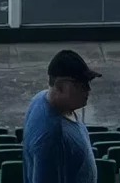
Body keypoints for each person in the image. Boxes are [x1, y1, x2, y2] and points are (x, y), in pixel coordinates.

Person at [23, 49, 100, 183]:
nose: (88, 89)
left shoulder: (40, 98)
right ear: (60, 87)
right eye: (80, 85)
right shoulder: (51, 138)